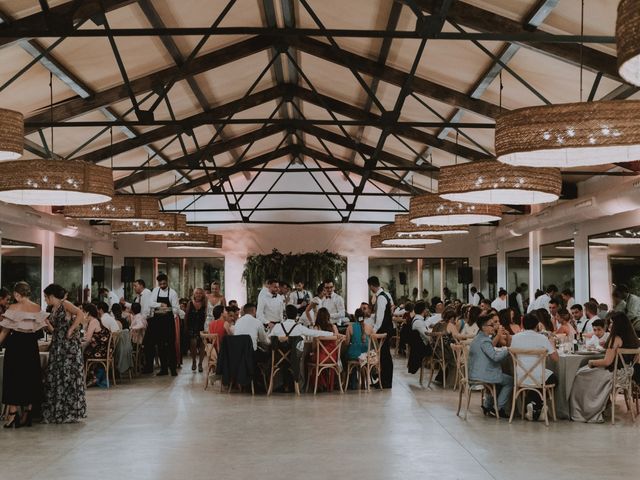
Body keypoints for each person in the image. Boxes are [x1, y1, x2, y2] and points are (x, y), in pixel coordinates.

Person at [570, 312, 640, 422]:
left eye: (611, 323)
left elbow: (607, 362)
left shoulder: (615, 338)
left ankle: (584, 410)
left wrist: (591, 362)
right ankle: (606, 405)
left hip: (614, 373)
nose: (609, 326)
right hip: (627, 373)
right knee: (586, 372)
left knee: (580, 374)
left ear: (618, 324)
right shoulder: (633, 339)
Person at [0, 282, 47, 428]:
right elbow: (40, 331)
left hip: (16, 346)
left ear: (16, 294)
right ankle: (28, 414)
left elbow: (5, 331)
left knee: (13, 377)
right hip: (31, 346)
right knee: (31, 376)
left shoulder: (13, 308)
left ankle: (13, 415)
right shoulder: (37, 307)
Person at [41, 283, 87, 424]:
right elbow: (54, 330)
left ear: (52, 296)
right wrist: (46, 323)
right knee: (57, 375)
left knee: (68, 375)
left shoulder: (64, 303)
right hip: (57, 345)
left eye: (46, 297)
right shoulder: (53, 309)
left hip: (68, 347)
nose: (45, 300)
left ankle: (69, 411)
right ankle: (59, 410)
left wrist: (71, 329)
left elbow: (80, 314)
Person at [510, 313, 559, 421]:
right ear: (537, 325)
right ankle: (537, 405)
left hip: (520, 376)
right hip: (538, 377)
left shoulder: (515, 338)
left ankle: (533, 404)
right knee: (554, 378)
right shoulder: (542, 338)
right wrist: (552, 344)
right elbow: (556, 358)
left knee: (535, 381)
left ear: (522, 324)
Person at [468, 313, 512, 418]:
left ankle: (488, 405)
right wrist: (507, 350)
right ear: (484, 327)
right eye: (491, 325)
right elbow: (495, 357)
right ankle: (498, 408)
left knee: (498, 381)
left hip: (476, 371)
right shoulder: (484, 340)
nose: (494, 327)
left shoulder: (478, 337)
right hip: (483, 374)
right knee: (510, 381)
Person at [146, 273, 180, 376]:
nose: (162, 285)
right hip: (157, 322)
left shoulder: (173, 293)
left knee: (170, 346)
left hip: (168, 322)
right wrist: (160, 304)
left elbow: (176, 309)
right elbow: (150, 303)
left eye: (164, 283)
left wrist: (167, 309)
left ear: (167, 282)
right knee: (160, 346)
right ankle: (164, 369)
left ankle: (173, 369)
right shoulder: (155, 291)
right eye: (160, 284)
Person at [368, 276, 394, 388]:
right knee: (384, 356)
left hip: (384, 330)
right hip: (387, 328)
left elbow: (380, 317)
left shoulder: (381, 298)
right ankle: (382, 381)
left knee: (384, 356)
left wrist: (373, 331)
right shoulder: (386, 295)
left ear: (371, 286)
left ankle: (386, 382)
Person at [81, 303, 110, 387]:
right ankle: (90, 377)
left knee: (82, 355)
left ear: (87, 312)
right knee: (84, 352)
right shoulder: (96, 320)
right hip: (102, 349)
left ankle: (90, 378)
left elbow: (88, 339)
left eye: (83, 311)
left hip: (100, 350)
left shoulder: (93, 321)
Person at [185, 287, 207, 372]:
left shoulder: (205, 303)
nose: (198, 294)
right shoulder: (190, 303)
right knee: (193, 344)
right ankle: (194, 361)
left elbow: (206, 316)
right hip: (192, 326)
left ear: (203, 294)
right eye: (197, 293)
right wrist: (186, 327)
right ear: (194, 294)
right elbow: (186, 316)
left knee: (202, 345)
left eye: (200, 293)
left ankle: (200, 363)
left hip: (202, 326)